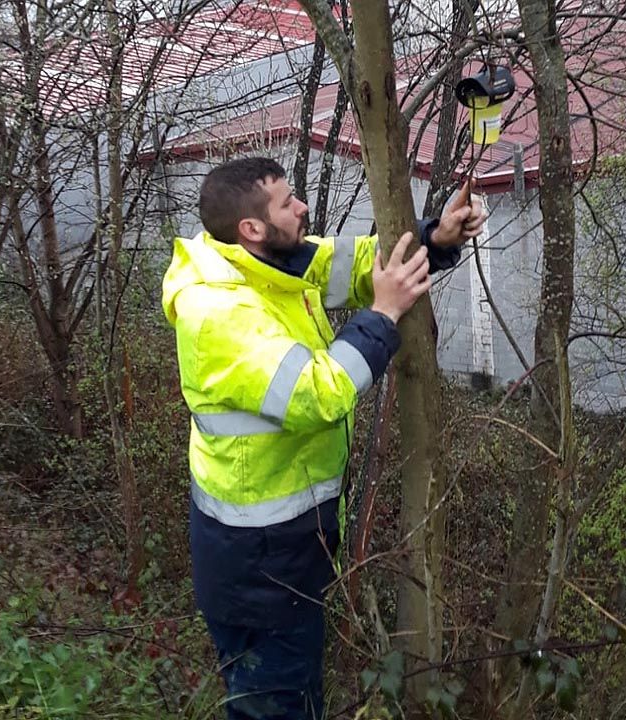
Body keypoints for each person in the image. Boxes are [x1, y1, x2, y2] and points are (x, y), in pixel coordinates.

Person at [161, 157, 484, 719]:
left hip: (283, 551)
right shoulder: (219, 311)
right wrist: (382, 317)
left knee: (290, 694)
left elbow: (358, 264)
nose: (303, 208)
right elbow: (317, 393)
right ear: (252, 229)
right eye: (288, 202)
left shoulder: (269, 263)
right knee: (275, 705)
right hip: (256, 566)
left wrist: (435, 238)